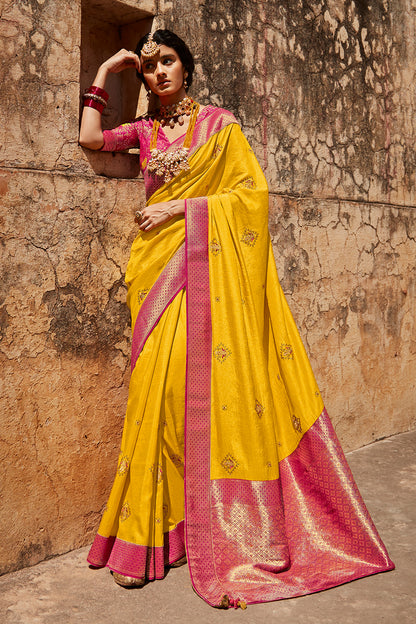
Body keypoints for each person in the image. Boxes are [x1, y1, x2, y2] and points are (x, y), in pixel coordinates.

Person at [79, 30, 394, 609]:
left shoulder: (219, 126)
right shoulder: (145, 132)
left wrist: (182, 206)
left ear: (187, 70)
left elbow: (252, 196)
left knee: (193, 400)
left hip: (203, 265)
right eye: (150, 68)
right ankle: (152, 535)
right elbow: (90, 138)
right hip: (155, 273)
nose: (160, 73)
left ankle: (201, 532)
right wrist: (105, 71)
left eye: (169, 62)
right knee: (154, 395)